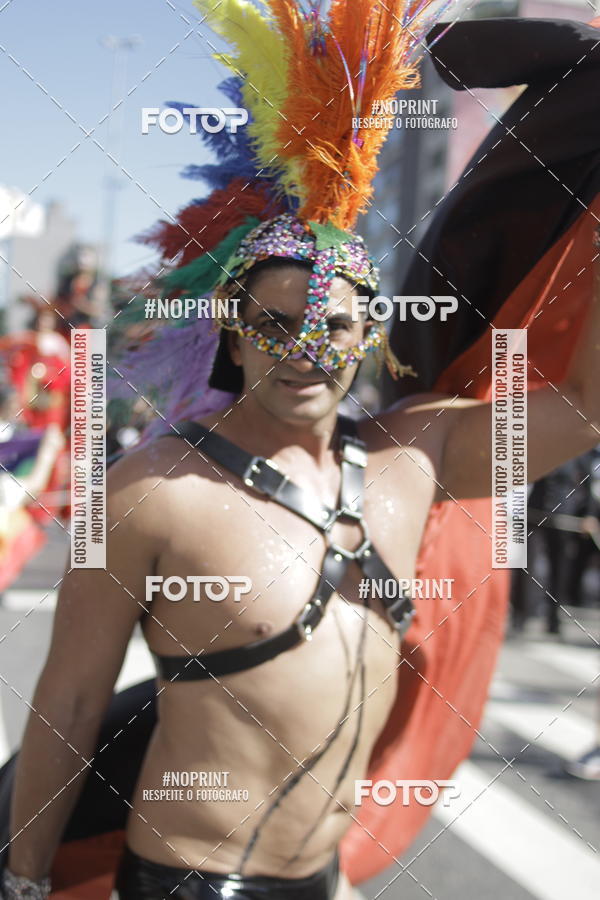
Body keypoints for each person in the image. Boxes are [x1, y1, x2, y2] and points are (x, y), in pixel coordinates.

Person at [3, 6, 600, 900]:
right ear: (234, 341)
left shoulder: (414, 462)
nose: (303, 350)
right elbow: (72, 707)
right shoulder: (150, 493)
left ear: (365, 340)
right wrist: (21, 881)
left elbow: (585, 407)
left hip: (322, 878)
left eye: (331, 326)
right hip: (185, 881)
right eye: (273, 327)